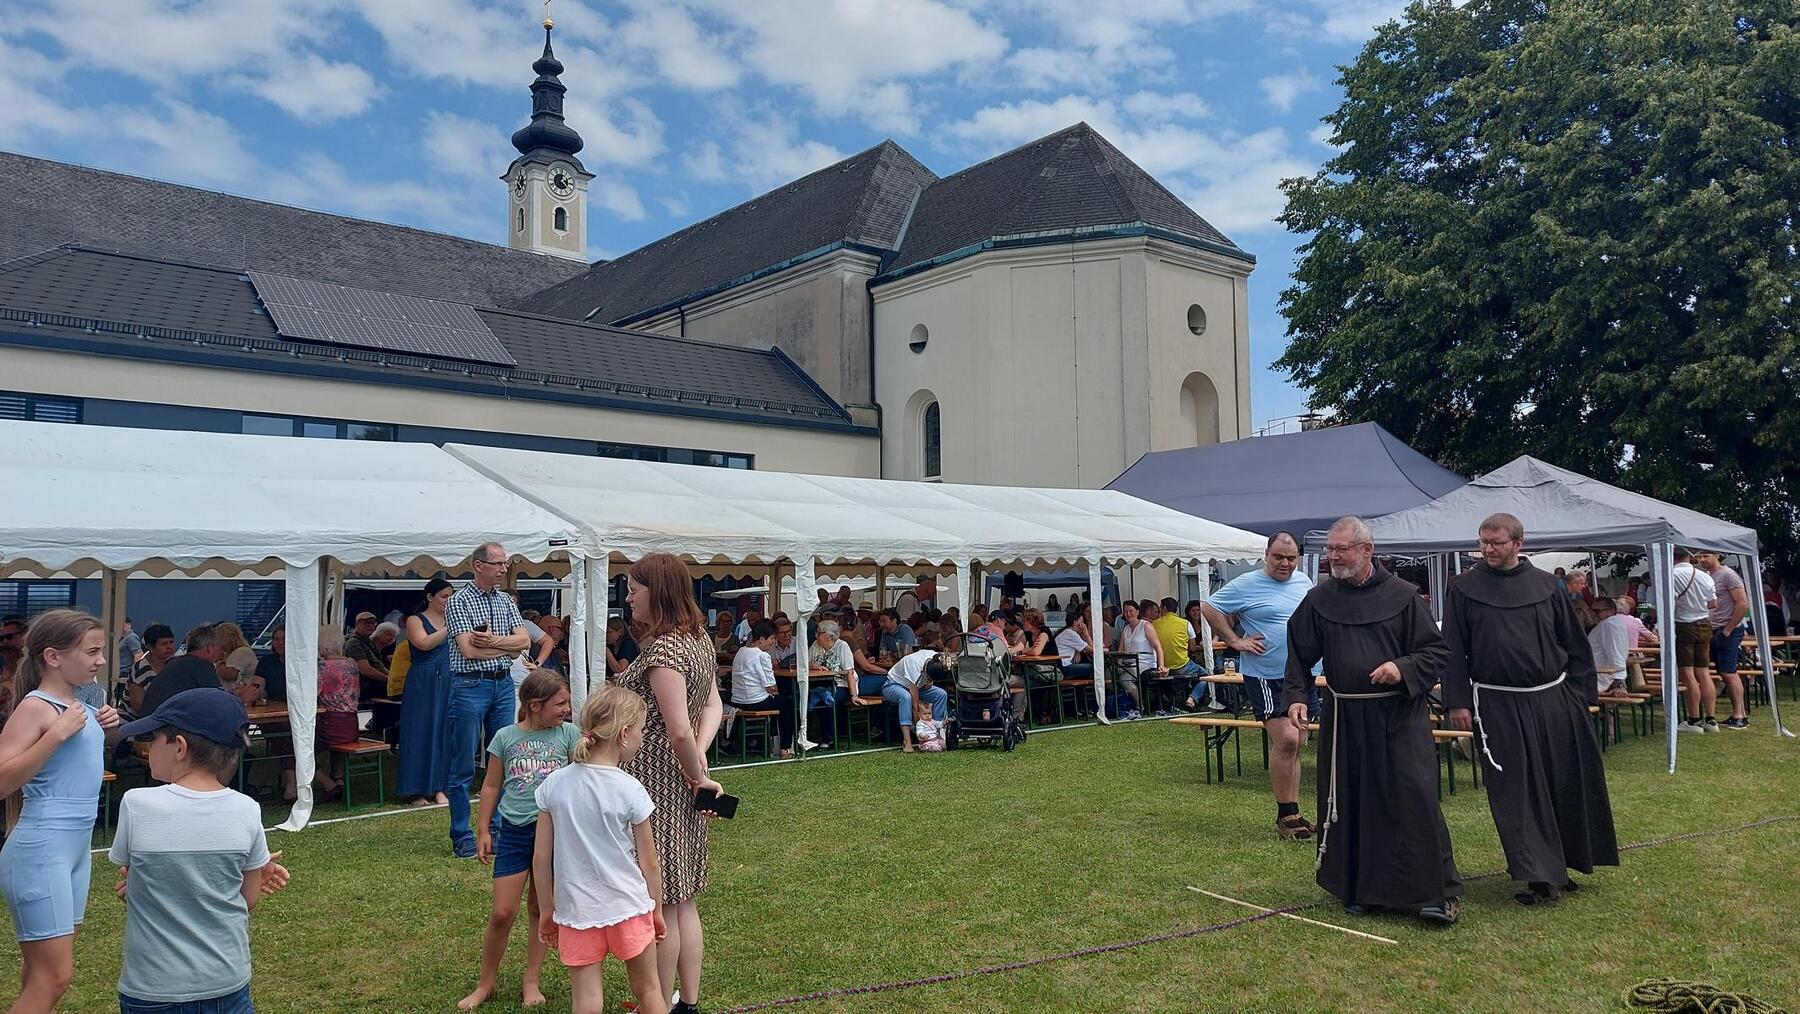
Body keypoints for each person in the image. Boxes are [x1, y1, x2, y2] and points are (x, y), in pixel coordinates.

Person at [1284, 517, 1461, 924]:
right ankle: (1364, 889)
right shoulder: (1320, 599)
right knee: (1354, 801)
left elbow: (1435, 652)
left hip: (1398, 716)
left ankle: (1435, 893)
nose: (1332, 557)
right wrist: (1296, 696)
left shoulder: (1404, 596)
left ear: (1367, 550)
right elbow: (1298, 652)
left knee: (1412, 796)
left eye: (1340, 549)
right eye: (1329, 550)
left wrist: (1402, 668)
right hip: (1346, 717)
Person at [1443, 512, 1618, 906]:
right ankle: (1540, 875)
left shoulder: (1546, 586)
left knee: (1563, 781)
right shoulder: (1464, 588)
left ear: (1518, 544)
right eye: (1483, 542)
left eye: (1496, 542)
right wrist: (1458, 701)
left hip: (1553, 699)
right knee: (1517, 791)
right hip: (1497, 703)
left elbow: (1573, 643)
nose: (1488, 549)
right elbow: (1452, 648)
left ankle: (1565, 863)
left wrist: (1581, 696)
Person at [108, 688, 291, 1013]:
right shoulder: (247, 809)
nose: (147, 747)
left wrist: (137, 888)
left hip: (152, 987)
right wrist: (243, 872)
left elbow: (133, 875)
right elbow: (247, 899)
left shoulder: (136, 804)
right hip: (226, 982)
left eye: (153, 738)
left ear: (179, 747)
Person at [615, 553, 725, 1014]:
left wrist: (695, 769)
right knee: (683, 900)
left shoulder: (665, 652)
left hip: (657, 778)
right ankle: (685, 1003)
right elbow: (712, 707)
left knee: (661, 899)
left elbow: (678, 728)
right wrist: (698, 762)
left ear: (657, 592)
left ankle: (656, 1004)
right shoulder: (696, 638)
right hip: (682, 774)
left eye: (634, 589)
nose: (628, 597)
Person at [0, 610, 122, 1011]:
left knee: (42, 974)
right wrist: (55, 735)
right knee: (53, 977)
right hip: (41, 850)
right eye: (92, 651)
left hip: (73, 851)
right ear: (53, 657)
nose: (101, 660)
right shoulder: (37, 708)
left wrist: (102, 725)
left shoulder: (77, 705)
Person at [532, 684, 669, 1014]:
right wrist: (656, 909)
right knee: (649, 990)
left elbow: (541, 858)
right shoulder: (630, 788)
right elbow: (649, 862)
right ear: (624, 734)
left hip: (576, 911)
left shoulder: (554, 785)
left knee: (586, 1001)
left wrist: (548, 909)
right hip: (629, 905)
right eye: (641, 730)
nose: (642, 738)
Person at [460, 671, 578, 1011]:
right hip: (514, 832)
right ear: (534, 705)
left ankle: (532, 981)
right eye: (560, 703)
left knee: (541, 909)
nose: (567, 709)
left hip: (553, 835)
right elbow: (491, 785)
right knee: (502, 912)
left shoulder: (569, 735)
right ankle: (486, 983)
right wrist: (483, 829)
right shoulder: (505, 737)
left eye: (567, 703)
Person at [1198, 531, 1316, 840]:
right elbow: (1209, 607)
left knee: (1298, 741)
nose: (1285, 563)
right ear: (1266, 555)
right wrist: (1235, 641)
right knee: (1286, 739)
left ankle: (1294, 814)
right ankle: (1285, 815)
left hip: (1300, 675)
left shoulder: (1304, 583)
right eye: (1278, 557)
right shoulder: (1247, 584)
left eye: (1291, 558)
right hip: (1265, 675)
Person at [446, 542, 534, 859]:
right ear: (478, 565)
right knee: (463, 763)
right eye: (498, 563)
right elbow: (468, 650)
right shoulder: (458, 601)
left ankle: (495, 830)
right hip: (470, 684)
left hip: (502, 684)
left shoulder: (505, 601)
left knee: (501, 759)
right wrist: (508, 647)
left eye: (505, 563)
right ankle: (461, 834)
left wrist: (494, 641)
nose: (503, 569)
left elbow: (524, 641)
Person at [397, 578, 455, 808]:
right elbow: (424, 643)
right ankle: (416, 789)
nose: (448, 601)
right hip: (423, 680)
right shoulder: (415, 620)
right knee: (419, 731)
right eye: (444, 596)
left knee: (445, 732)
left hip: (449, 677)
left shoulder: (453, 618)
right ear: (430, 597)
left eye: (451, 596)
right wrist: (450, 627)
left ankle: (440, 787)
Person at [1696, 550, 1751, 730]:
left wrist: (1728, 629)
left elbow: (1742, 603)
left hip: (1728, 629)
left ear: (1717, 555)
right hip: (1713, 628)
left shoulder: (1728, 575)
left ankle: (1740, 716)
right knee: (1721, 671)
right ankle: (1738, 714)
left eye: (1706, 556)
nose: (1702, 560)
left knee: (1728, 672)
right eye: (1699, 557)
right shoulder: (1707, 576)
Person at [729, 619, 797, 758]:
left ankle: (768, 741)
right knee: (787, 703)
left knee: (778, 701)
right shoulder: (762, 655)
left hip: (738, 701)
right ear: (761, 639)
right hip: (756, 701)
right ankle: (785, 748)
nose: (773, 642)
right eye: (772, 638)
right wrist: (776, 691)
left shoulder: (741, 652)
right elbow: (771, 686)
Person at [1670, 548, 1719, 734]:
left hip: (1684, 624)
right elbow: (1713, 603)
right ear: (1689, 557)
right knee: (1704, 673)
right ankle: (1711, 719)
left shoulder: (1672, 575)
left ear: (1672, 557)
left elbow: (1670, 603)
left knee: (1688, 673)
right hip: (1704, 623)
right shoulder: (1705, 576)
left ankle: (1694, 720)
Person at [312, 626, 361, 801]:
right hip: (351, 723)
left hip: (330, 723)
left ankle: (329, 785)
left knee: (300, 751)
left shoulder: (321, 666)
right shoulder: (352, 663)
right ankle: (338, 778)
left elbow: (313, 693)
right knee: (338, 748)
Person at [141, 624, 225, 715]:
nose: (223, 653)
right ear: (209, 648)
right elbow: (220, 701)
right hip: (165, 720)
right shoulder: (202, 665)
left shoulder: (176, 663)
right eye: (221, 648)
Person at [880, 646, 951, 753]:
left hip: (918, 686)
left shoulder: (935, 657)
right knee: (906, 697)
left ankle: (937, 734)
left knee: (941, 694)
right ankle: (907, 741)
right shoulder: (914, 666)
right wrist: (920, 726)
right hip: (893, 685)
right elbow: (915, 704)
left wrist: (930, 682)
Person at [1153, 595, 1206, 715]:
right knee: (1205, 675)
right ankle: (1192, 699)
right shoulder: (1185, 623)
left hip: (1161, 667)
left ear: (1164, 608)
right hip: (1181, 665)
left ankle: (1169, 699)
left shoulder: (1154, 624)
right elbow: (1192, 648)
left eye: (1161, 607)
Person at [1115, 600, 1162, 720]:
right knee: (1112, 676)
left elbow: (1158, 647)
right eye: (1125, 611)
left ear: (1137, 611)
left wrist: (1161, 666)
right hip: (1129, 663)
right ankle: (1123, 704)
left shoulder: (1146, 626)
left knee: (1125, 679)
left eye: (1130, 611)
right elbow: (1121, 651)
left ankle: (1140, 706)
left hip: (1145, 662)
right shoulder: (1125, 629)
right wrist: (1119, 665)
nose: (1128, 614)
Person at [122, 623, 176, 721]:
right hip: (133, 721)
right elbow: (138, 706)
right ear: (151, 647)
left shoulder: (174, 665)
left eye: (171, 642)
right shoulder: (140, 668)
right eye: (164, 644)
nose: (169, 647)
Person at [212, 622, 265, 706]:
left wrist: (218, 660)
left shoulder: (242, 652)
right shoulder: (230, 654)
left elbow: (229, 674)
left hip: (244, 699)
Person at [1587, 597, 1632, 696]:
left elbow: (1616, 654)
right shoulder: (1611, 624)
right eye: (1591, 610)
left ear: (1611, 611)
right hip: (1597, 676)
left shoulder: (1609, 625)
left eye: (1597, 611)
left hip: (1598, 679)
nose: (1593, 614)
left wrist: (1619, 684)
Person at [254, 626, 287, 703]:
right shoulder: (266, 661)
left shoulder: (302, 662)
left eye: (284, 639)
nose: (280, 643)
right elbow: (257, 686)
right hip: (274, 705)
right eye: (276, 640)